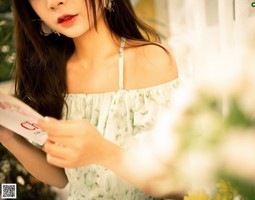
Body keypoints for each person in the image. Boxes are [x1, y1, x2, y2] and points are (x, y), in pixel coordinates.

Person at [0, 0, 183, 199]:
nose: (53, 3)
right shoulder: (50, 75)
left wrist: (105, 153)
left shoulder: (151, 60)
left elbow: (178, 186)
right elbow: (62, 177)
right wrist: (8, 136)